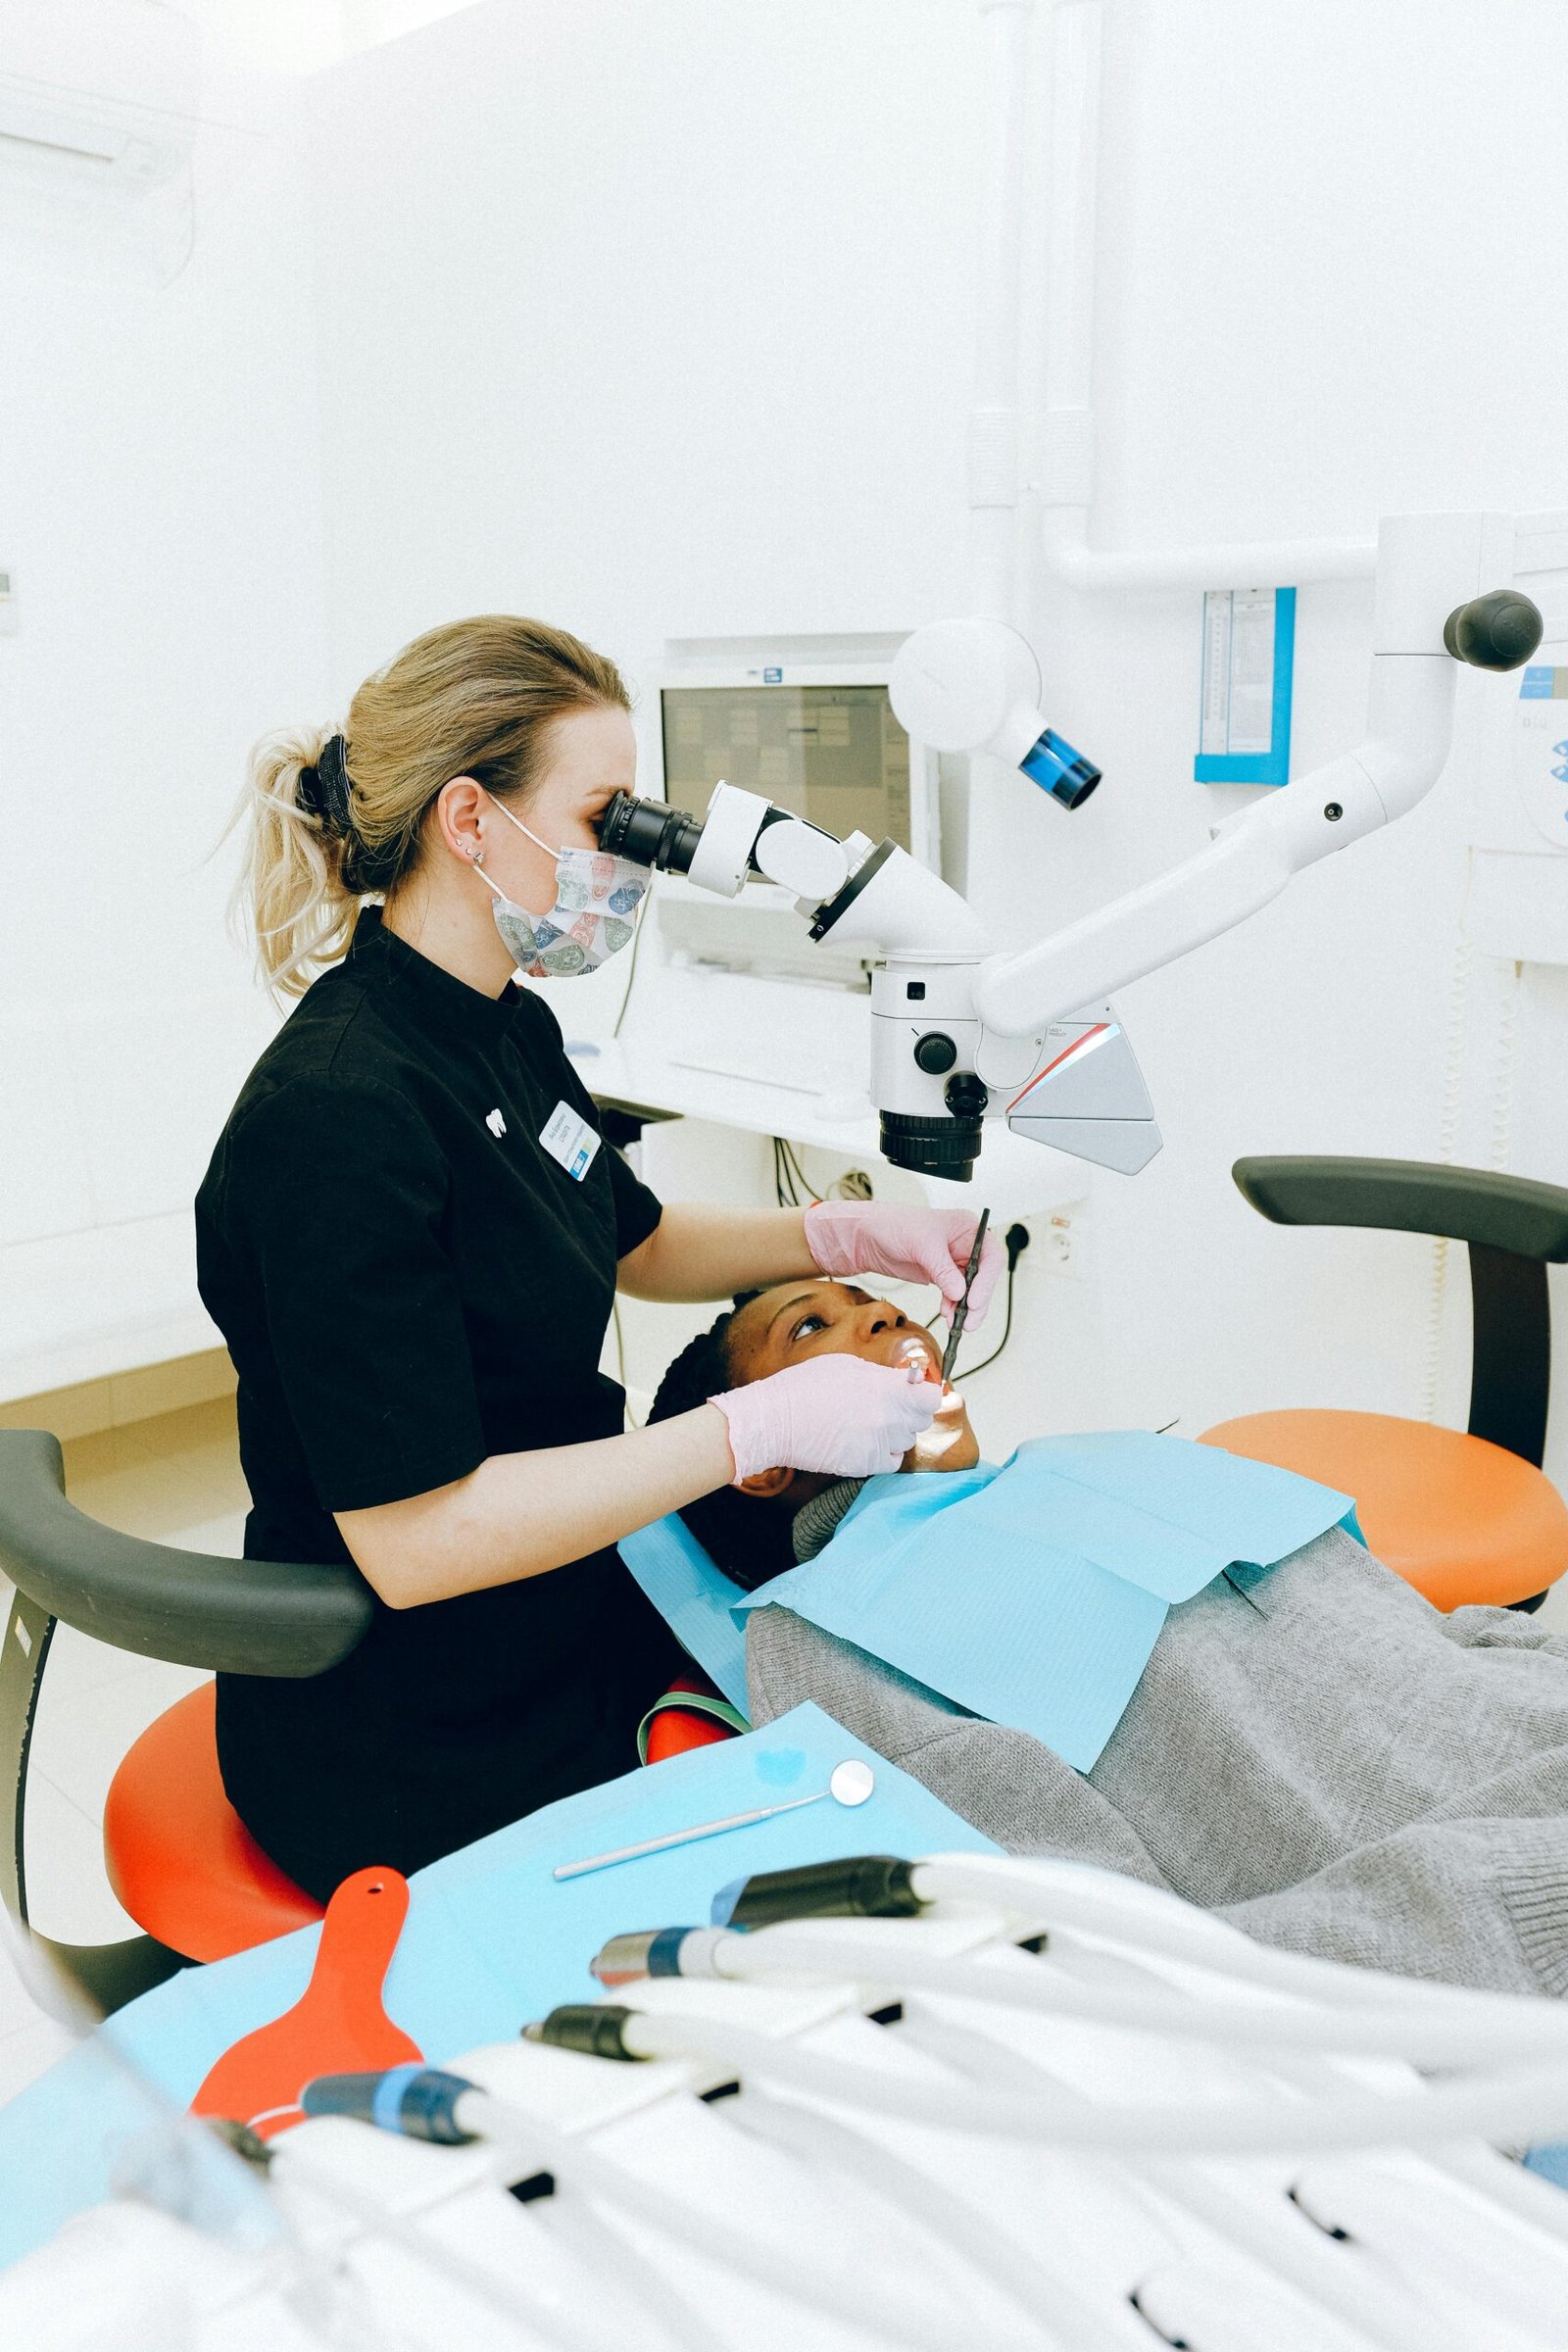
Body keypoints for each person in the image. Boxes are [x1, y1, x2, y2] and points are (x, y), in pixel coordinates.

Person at [199, 614, 999, 1900]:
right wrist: (748, 1428)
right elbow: (418, 1544)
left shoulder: (502, 1029)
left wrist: (845, 1232)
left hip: (549, 1607)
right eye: (609, 820)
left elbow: (641, 1239)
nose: (633, 863)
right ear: (471, 822)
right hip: (403, 1717)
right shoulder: (339, 1119)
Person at [649, 1279, 1568, 1996]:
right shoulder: (823, 1629)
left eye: (870, 1299)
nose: (885, 1311)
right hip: (1484, 1889)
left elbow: (1414, 1628)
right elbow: (1105, 1933)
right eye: (811, 1330)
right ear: (761, 1457)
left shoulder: (1098, 1463)